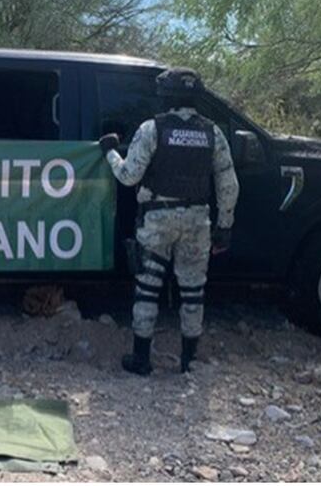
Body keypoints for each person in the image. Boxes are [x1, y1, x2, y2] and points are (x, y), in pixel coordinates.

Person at [98, 68, 239, 375]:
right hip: (198, 220)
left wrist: (109, 151)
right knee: (193, 291)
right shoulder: (212, 132)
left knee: (148, 289)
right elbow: (228, 184)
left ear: (166, 95)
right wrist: (224, 226)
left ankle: (141, 359)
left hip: (156, 220)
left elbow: (128, 176)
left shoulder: (152, 129)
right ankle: (189, 361)